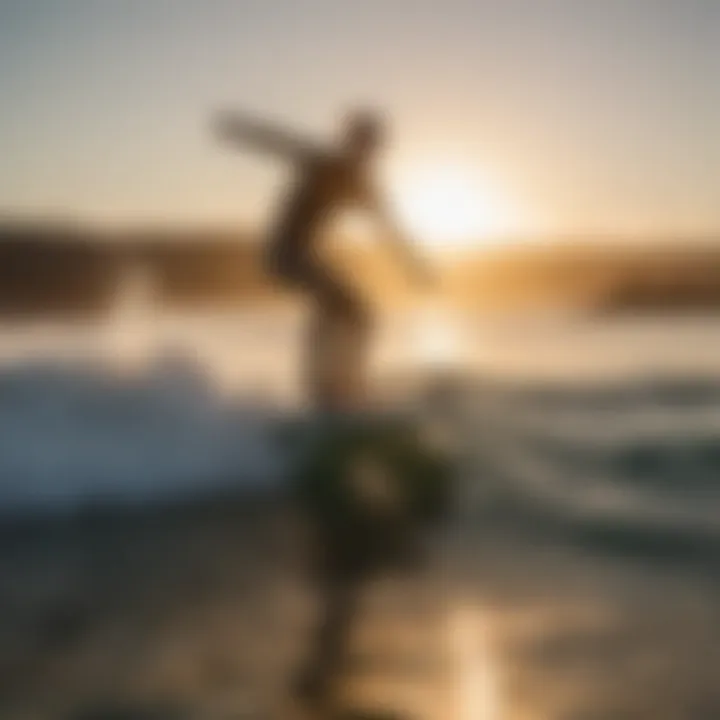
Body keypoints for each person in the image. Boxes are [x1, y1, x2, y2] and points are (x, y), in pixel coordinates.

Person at [214, 108, 432, 412]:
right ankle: (322, 390)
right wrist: (240, 129)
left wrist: (413, 264)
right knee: (339, 304)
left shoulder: (364, 187)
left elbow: (390, 228)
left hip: (305, 255)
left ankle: (348, 383)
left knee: (360, 313)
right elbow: (278, 142)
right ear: (349, 142)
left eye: (371, 148)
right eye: (360, 145)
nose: (365, 155)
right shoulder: (323, 164)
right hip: (283, 253)